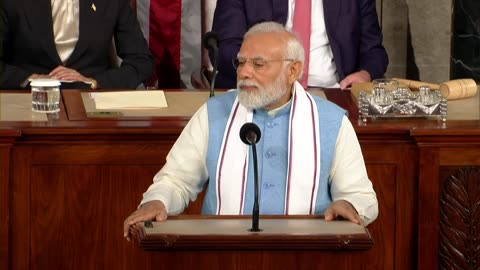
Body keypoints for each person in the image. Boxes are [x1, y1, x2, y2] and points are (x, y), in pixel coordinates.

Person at [123, 22, 378, 240]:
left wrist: (348, 205)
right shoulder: (214, 114)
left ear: (293, 71)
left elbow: (359, 194)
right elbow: (176, 180)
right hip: (223, 255)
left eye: (258, 64)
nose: (244, 73)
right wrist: (158, 201)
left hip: (305, 256)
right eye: (241, 62)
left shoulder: (331, 122)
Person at [210, 0, 388, 90]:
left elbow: (374, 52)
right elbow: (224, 48)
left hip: (331, 96)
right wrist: (259, 71)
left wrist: (365, 74)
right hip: (260, 94)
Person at [0, 0, 154, 89]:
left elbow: (141, 61)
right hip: (27, 101)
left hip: (93, 105)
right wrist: (32, 79)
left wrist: (94, 81)